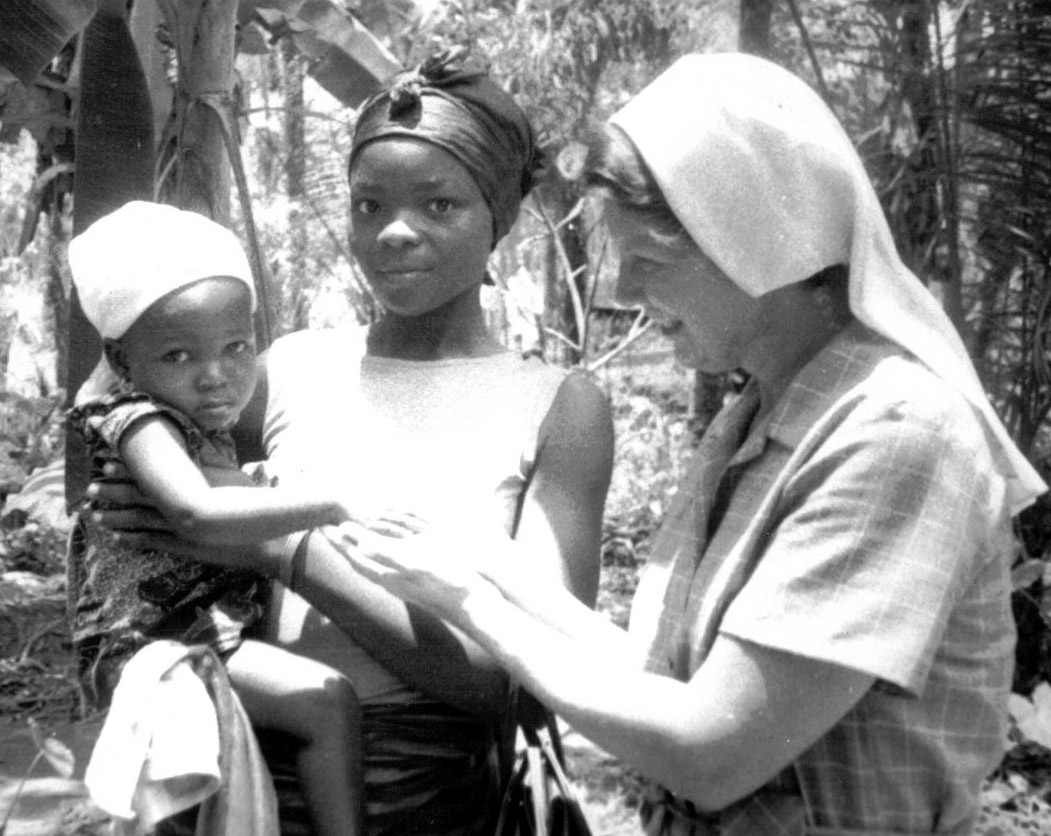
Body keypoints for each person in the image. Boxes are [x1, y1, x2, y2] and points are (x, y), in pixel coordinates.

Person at [329, 52, 1049, 836]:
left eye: (650, 261)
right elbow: (661, 677)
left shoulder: (896, 431)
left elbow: (712, 751)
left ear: (758, 245)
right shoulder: (762, 418)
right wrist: (478, 558)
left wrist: (469, 604)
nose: (627, 294)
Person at [86, 50, 615, 836]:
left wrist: (283, 550)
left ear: (496, 215)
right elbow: (144, 472)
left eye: (438, 205)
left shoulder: (558, 406)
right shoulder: (286, 367)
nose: (395, 233)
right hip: (245, 779)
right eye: (368, 207)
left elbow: (526, 680)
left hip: (435, 797)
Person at [66, 201, 364, 836]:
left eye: (236, 348)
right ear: (123, 364)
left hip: (200, 632)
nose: (216, 376)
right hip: (150, 643)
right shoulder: (136, 420)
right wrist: (336, 500)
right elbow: (196, 513)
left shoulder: (200, 424)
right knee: (328, 702)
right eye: (179, 356)